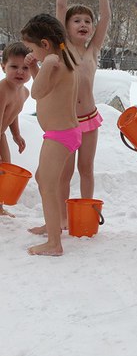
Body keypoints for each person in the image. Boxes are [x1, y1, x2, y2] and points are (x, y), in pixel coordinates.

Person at [52, 0, 110, 233]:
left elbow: (106, 17)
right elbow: (61, 6)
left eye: (88, 20)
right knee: (65, 172)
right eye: (77, 20)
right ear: (67, 26)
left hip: (89, 119)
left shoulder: (92, 50)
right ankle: (62, 216)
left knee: (86, 169)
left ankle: (88, 211)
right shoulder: (63, 47)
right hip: (67, 121)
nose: (84, 24)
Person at [21, 13, 80, 256]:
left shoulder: (54, 62)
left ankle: (54, 243)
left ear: (44, 44)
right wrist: (36, 66)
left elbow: (35, 92)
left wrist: (42, 65)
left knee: (47, 184)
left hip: (60, 135)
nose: (31, 53)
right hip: (65, 133)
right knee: (44, 178)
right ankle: (52, 224)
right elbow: (45, 89)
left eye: (31, 48)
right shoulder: (61, 61)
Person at [0, 43, 31, 218]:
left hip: (1, 133)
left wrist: (16, 134)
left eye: (25, 68)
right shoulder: (2, 89)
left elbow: (14, 112)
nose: (20, 72)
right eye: (14, 67)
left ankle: (0, 207)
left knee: (5, 167)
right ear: (3, 66)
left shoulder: (24, 92)